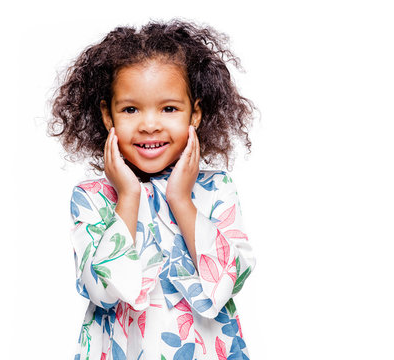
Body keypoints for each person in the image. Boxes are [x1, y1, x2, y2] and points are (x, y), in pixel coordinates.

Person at [49, 19, 257, 360]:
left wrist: (180, 199)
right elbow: (102, 291)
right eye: (130, 109)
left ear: (195, 114)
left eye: (169, 108)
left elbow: (227, 282)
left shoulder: (217, 189)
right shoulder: (92, 198)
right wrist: (128, 196)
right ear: (107, 115)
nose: (149, 125)